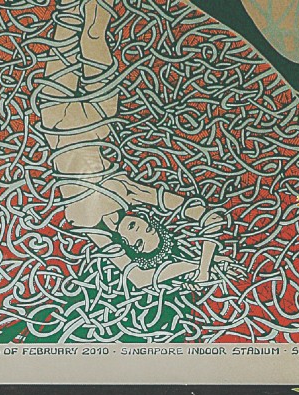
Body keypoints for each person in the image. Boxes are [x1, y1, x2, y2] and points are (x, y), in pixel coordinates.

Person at [34, 0, 232, 293]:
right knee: (94, 32)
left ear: (128, 247)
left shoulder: (92, 228)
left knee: (69, 18)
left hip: (56, 115)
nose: (139, 230)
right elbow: (208, 216)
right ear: (150, 220)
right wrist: (204, 265)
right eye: (150, 228)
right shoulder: (130, 192)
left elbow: (139, 278)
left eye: (138, 242)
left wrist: (196, 269)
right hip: (97, 116)